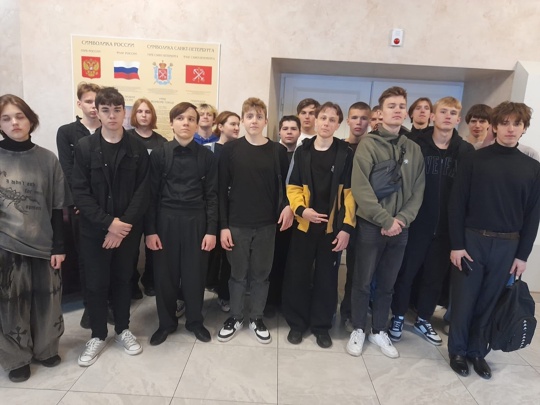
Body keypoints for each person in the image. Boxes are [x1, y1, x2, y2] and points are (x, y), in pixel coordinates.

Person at [447, 101, 540, 379]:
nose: (511, 128)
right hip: (472, 241)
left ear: (524, 128)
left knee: (489, 302)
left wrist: (523, 256)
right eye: (505, 123)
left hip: (508, 245)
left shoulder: (533, 168)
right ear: (495, 126)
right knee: (464, 300)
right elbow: (456, 204)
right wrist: (457, 245)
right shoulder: (473, 160)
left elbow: (533, 215)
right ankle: (458, 351)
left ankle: (477, 351)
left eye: (517, 124)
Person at [72, 87, 149, 367]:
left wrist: (122, 226)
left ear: (123, 112)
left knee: (122, 280)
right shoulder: (85, 147)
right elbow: (80, 192)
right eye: (106, 110)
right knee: (95, 283)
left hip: (127, 231)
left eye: (117, 110)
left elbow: (144, 190)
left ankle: (123, 329)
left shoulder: (137, 149)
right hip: (95, 231)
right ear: (98, 112)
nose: (112, 115)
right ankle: (97, 334)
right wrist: (109, 224)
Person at [347, 86, 425, 358]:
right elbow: (360, 188)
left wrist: (400, 220)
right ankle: (358, 327)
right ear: (380, 112)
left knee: (387, 284)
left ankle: (379, 330)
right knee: (362, 280)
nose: (397, 110)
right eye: (391, 106)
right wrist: (384, 219)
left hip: (400, 228)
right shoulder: (368, 144)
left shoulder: (413, 149)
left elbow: (418, 190)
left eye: (402, 106)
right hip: (371, 225)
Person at [389, 97, 474, 346]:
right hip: (416, 223)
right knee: (406, 274)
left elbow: (468, 192)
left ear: (458, 119)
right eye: (443, 112)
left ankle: (424, 319)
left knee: (434, 277)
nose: (447, 116)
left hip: (447, 227)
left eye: (452, 113)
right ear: (433, 116)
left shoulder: (465, 151)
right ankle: (398, 316)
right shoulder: (415, 144)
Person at [0, 94, 71, 382]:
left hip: (44, 244)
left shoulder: (47, 159)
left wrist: (59, 246)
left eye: (20, 116)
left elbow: (58, 207)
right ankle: (16, 358)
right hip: (5, 246)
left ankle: (46, 349)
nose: (14, 123)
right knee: (10, 304)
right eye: (6, 118)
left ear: (31, 120)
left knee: (48, 301)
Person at [217, 97, 293, 344]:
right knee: (238, 274)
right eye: (249, 116)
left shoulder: (277, 151)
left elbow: (285, 187)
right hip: (237, 224)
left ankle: (256, 318)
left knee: (261, 274)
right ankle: (236, 316)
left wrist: (287, 206)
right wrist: (223, 226)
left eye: (259, 116)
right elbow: (220, 191)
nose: (254, 121)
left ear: (266, 121)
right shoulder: (230, 150)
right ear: (242, 120)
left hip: (266, 225)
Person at [282, 102, 356, 348]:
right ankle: (297, 324)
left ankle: (321, 326)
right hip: (304, 226)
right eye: (323, 117)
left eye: (332, 119)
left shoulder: (346, 153)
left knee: (327, 278)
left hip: (331, 229)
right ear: (315, 120)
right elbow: (293, 187)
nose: (326, 123)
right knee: (298, 276)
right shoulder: (303, 151)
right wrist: (302, 211)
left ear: (338, 124)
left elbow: (350, 195)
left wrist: (346, 228)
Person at [145, 102, 217, 345]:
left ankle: (195, 321)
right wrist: (150, 231)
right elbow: (150, 196)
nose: (185, 122)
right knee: (165, 276)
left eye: (191, 119)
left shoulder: (207, 157)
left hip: (197, 220)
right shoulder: (160, 154)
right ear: (172, 123)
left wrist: (211, 231)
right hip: (165, 220)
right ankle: (166, 323)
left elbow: (212, 196)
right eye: (180, 118)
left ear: (197, 125)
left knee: (195, 275)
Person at [56, 82, 101, 329]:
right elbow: (68, 169)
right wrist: (80, 202)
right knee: (86, 259)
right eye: (88, 101)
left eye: (97, 102)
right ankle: (90, 307)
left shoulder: (110, 130)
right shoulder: (67, 132)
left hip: (107, 208)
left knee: (110, 258)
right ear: (79, 103)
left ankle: (108, 303)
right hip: (79, 207)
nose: (93, 106)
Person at [127, 98, 167, 299]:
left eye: (147, 111)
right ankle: (131, 283)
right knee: (131, 248)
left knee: (154, 246)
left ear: (153, 115)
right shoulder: (126, 138)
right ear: (134, 114)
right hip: (132, 202)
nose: (144, 115)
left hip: (155, 201)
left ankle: (150, 281)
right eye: (140, 111)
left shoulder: (162, 142)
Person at [265, 114, 302, 317]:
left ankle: (288, 302)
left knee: (292, 262)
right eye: (285, 128)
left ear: (299, 132)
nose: (289, 132)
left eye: (293, 128)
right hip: (274, 216)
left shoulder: (303, 154)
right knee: (273, 260)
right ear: (279, 131)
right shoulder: (271, 153)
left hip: (298, 216)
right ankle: (271, 301)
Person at [204, 111, 240, 313]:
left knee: (229, 256)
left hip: (231, 210)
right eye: (232, 124)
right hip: (210, 209)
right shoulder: (208, 150)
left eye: (238, 124)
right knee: (205, 254)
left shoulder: (240, 150)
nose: (236, 128)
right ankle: (191, 294)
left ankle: (224, 294)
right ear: (220, 126)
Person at [340, 102, 371, 331]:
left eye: (363, 118)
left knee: (358, 269)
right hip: (340, 217)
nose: (359, 122)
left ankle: (351, 312)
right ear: (348, 120)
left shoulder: (372, 148)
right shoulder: (340, 148)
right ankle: (333, 309)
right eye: (355, 117)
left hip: (366, 217)